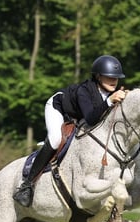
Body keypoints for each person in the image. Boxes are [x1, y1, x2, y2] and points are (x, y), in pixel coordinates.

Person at [13, 54, 129, 207]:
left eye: (116, 77)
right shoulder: (84, 91)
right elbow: (90, 119)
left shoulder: (110, 93)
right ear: (98, 76)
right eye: (109, 77)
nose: (114, 80)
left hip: (78, 116)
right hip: (58, 108)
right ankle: (26, 186)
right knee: (55, 140)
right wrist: (109, 101)